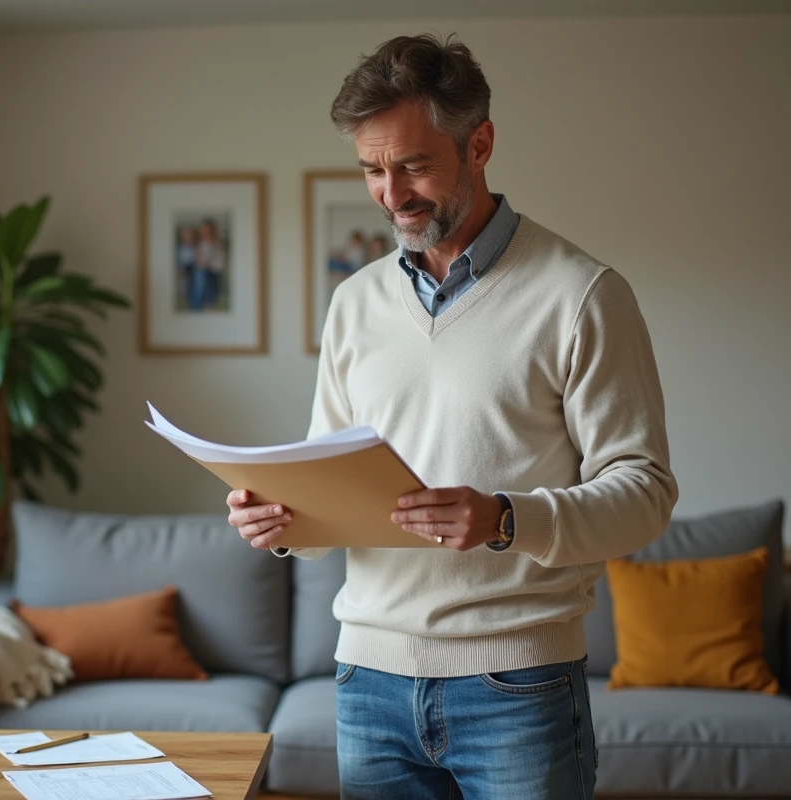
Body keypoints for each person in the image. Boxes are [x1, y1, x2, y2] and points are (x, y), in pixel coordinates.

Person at [226, 33, 678, 800]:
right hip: (367, 683)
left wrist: (506, 519)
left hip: (519, 686)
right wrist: (280, 519)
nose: (390, 193)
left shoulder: (584, 295)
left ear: (481, 144)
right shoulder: (354, 304)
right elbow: (327, 485)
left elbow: (645, 495)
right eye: (372, 168)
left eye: (413, 165)